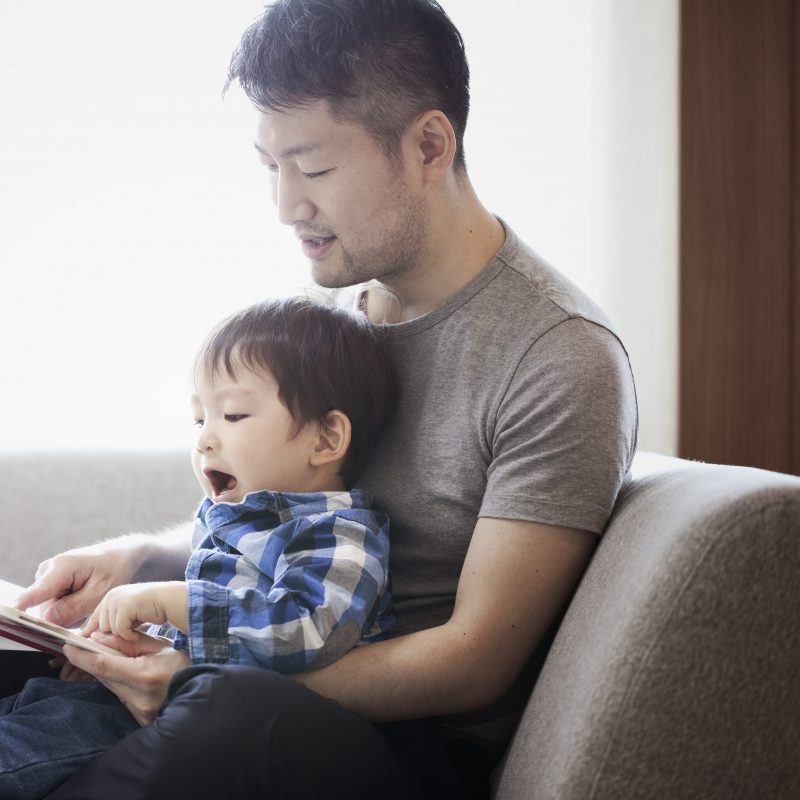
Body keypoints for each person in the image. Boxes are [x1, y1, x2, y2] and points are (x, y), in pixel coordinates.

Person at [12, 1, 638, 798]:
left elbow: (475, 660)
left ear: (428, 145)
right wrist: (136, 559)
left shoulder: (559, 356)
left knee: (228, 718)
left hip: (396, 744)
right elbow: (277, 534)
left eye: (312, 168)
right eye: (269, 166)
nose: (285, 205)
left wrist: (195, 679)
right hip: (241, 682)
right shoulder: (331, 323)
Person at [0, 297, 396, 799]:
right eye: (198, 420)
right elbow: (209, 627)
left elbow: (305, 627)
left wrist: (170, 602)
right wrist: (115, 646)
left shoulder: (339, 534)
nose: (205, 440)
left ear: (325, 439)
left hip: (172, 724)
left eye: (232, 415)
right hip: (116, 699)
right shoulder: (230, 516)